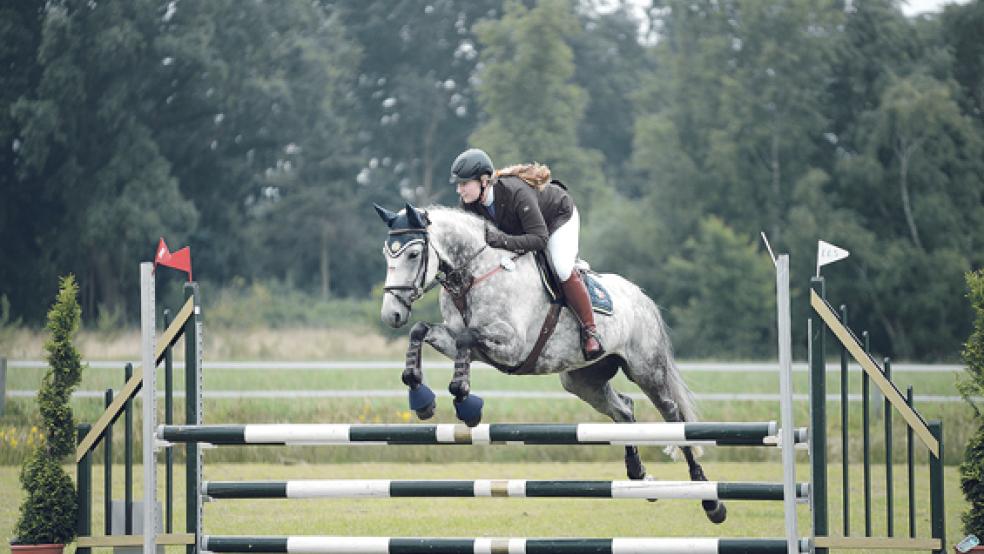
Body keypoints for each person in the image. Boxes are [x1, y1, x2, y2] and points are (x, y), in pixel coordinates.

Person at [449, 147, 603, 360]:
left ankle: (590, 331)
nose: (460, 190)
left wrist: (501, 241)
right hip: (523, 230)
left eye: (464, 184)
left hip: (557, 219)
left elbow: (540, 239)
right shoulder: (469, 206)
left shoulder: (515, 192)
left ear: (484, 181)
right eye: (459, 185)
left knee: (560, 267)